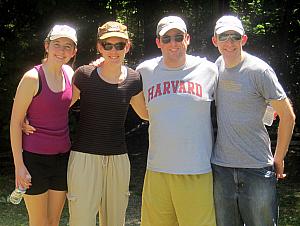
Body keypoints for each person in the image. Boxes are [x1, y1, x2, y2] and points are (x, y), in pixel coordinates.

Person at [211, 15, 296, 226]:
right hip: (221, 169)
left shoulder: (260, 71)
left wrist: (279, 158)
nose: (229, 43)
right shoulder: (216, 67)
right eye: (224, 37)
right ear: (215, 40)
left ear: (244, 39)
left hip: (257, 168)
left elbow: (287, 116)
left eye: (235, 37)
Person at [136, 15, 217, 226]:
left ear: (187, 39)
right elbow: (114, 76)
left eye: (178, 37)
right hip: (157, 170)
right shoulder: (144, 71)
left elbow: (236, 97)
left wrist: (268, 109)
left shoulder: (209, 70)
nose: (173, 43)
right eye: (167, 38)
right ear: (158, 42)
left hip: (196, 170)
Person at [66, 21, 148, 226]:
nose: (114, 50)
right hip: (84, 158)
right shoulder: (84, 75)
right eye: (107, 45)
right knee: (81, 220)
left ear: (127, 46)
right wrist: (28, 118)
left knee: (115, 221)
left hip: (119, 160)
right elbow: (60, 106)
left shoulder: (134, 79)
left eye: (119, 45)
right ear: (99, 47)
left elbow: (147, 115)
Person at [10, 24, 77, 226]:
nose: (62, 51)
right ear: (46, 46)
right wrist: (19, 166)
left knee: (53, 221)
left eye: (68, 46)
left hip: (62, 159)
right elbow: (15, 123)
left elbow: (61, 103)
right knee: (39, 222)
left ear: (74, 52)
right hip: (34, 160)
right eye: (57, 44)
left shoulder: (69, 73)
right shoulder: (32, 78)